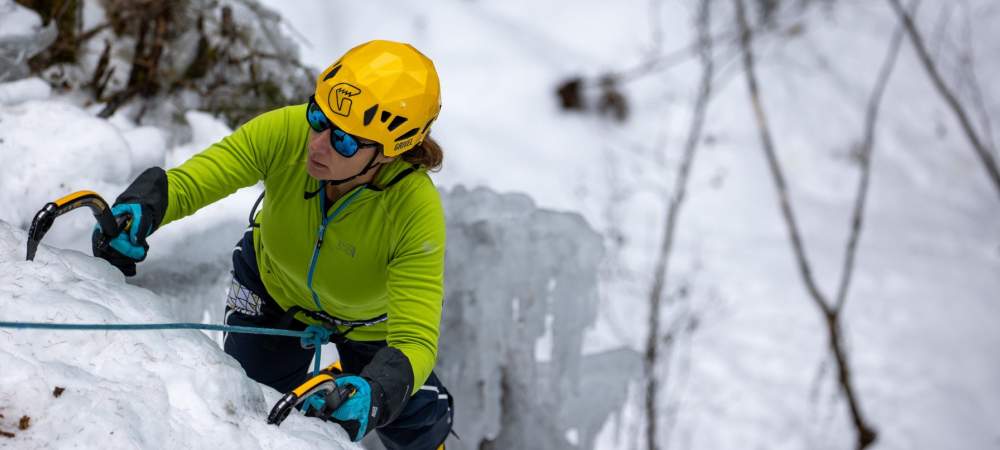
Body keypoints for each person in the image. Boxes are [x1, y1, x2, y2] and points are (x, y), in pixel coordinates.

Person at [92, 40, 453, 449]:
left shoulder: (414, 209)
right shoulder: (288, 131)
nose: (316, 143)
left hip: (373, 326)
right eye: (318, 116)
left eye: (346, 141)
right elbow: (200, 178)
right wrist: (145, 207)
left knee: (416, 422)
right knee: (252, 405)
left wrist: (380, 391)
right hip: (274, 290)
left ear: (389, 153)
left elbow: (414, 340)